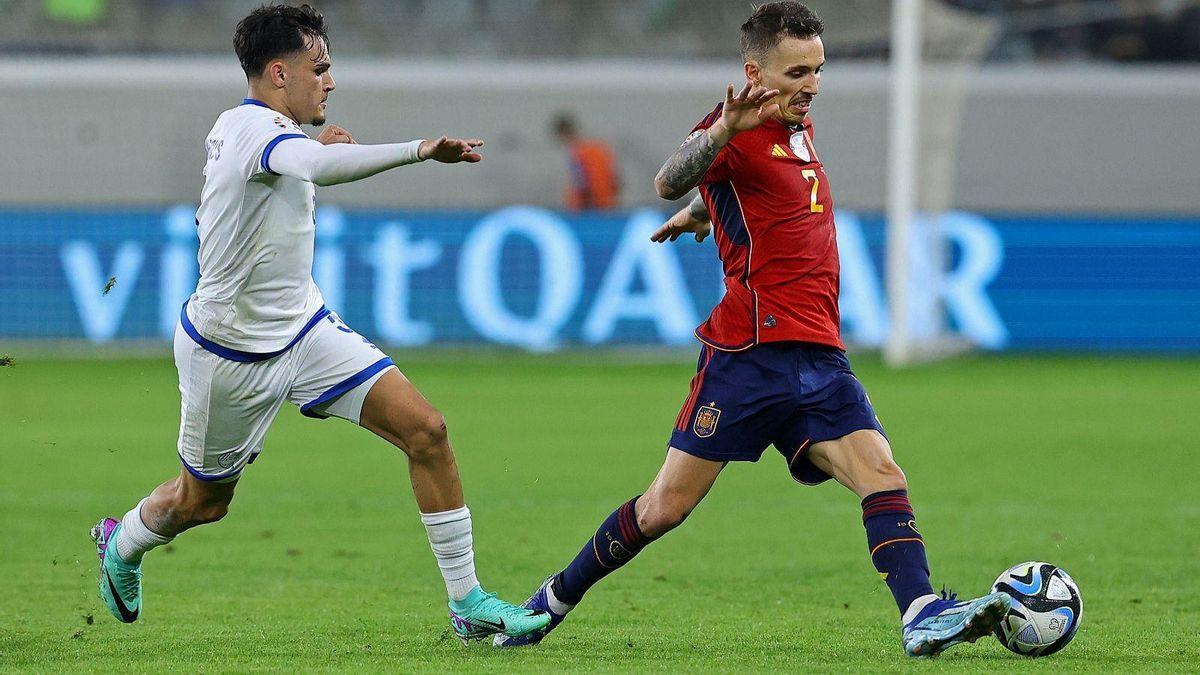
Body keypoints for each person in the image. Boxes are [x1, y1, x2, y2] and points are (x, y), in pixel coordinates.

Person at [496, 2, 1010, 658]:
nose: (811, 84)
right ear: (754, 72)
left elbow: (753, 194)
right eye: (797, 72)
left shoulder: (796, 125)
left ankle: (920, 613)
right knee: (664, 508)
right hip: (749, 356)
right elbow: (667, 178)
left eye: (818, 70)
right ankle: (550, 602)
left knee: (882, 472)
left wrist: (703, 212)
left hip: (819, 353)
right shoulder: (733, 126)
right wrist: (717, 139)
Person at [90, 3, 549, 643]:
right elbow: (312, 166)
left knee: (428, 431)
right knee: (204, 503)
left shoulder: (273, 135)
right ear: (279, 73)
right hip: (231, 354)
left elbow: (296, 168)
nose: (330, 81)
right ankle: (124, 541)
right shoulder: (249, 128)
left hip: (305, 331)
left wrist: (314, 148)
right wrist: (419, 150)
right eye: (320, 67)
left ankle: (467, 601)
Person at [552, 112, 621, 211]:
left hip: (590, 208)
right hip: (607, 204)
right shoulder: (598, 148)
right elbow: (615, 180)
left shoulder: (577, 154)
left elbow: (583, 185)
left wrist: (584, 206)